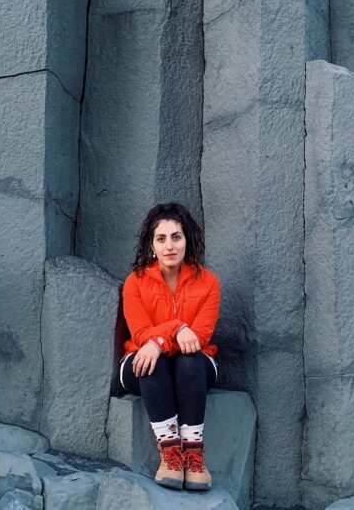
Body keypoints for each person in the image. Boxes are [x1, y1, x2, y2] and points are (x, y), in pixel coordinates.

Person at [119, 202, 221, 491]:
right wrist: (177, 329)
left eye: (176, 237)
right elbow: (139, 333)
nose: (169, 246)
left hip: (193, 367)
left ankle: (193, 454)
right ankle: (170, 455)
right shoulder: (136, 282)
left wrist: (160, 339)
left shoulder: (209, 282)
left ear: (187, 239)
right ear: (151, 245)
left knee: (189, 360)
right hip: (143, 363)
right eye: (161, 239)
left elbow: (200, 336)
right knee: (151, 360)